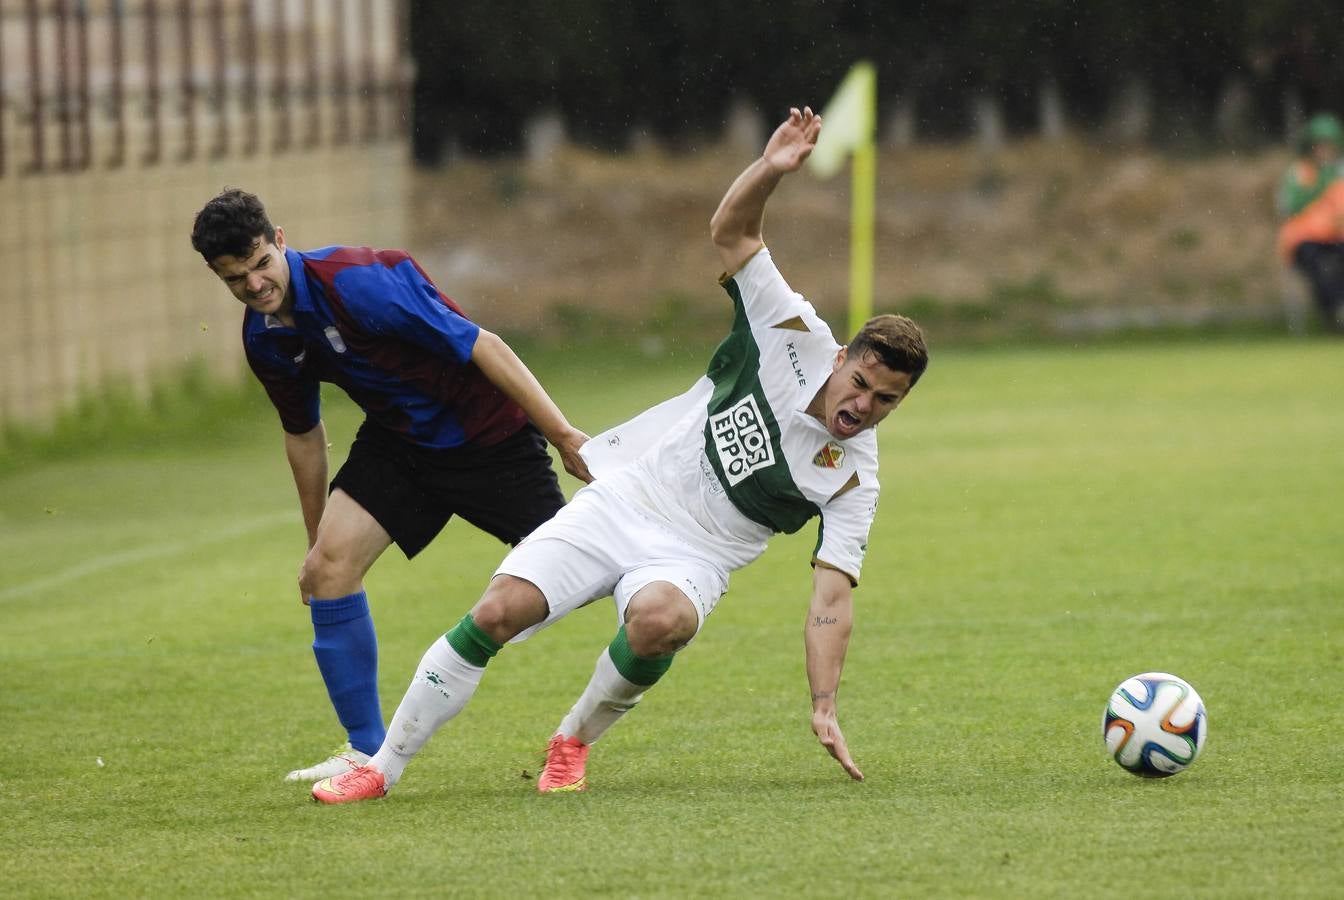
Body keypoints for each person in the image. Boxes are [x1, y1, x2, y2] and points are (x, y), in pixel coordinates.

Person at [310, 106, 929, 804]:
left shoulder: (855, 477)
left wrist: (823, 702)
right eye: (862, 384)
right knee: (496, 613)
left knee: (663, 621)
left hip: (695, 558)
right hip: (626, 499)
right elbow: (733, 233)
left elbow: (831, 598)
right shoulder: (791, 331)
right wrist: (768, 170)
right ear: (842, 358)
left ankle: (572, 741)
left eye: (885, 402)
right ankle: (381, 769)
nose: (863, 407)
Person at [190, 190, 591, 782]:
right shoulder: (266, 338)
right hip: (400, 448)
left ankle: (666, 579)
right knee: (327, 572)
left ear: (279, 238)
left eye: (259, 264)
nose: (254, 286)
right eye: (235, 279)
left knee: (584, 572)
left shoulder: (359, 281)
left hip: (490, 441)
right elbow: (302, 433)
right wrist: (315, 538)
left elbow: (484, 344)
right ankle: (363, 751)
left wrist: (562, 436)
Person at [1276, 113, 1344, 331]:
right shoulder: (1299, 172)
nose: (1324, 151)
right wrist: (1319, 185)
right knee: (1316, 268)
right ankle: (1333, 310)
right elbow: (1288, 206)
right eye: (1319, 145)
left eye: (1329, 145)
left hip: (1337, 235)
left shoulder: (1340, 172)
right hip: (1305, 239)